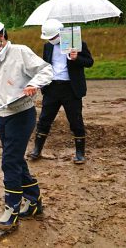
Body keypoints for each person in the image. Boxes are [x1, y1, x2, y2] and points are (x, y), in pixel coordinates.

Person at [0, 18, 52, 231]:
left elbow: (46, 70)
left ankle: (11, 210)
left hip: (22, 115)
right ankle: (34, 201)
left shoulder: (20, 52)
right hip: (3, 117)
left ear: (1, 36)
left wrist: (34, 84)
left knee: (9, 162)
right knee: (14, 159)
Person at [28, 19, 94, 164]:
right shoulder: (48, 47)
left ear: (59, 34)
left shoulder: (78, 44)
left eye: (52, 37)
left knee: (76, 121)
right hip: (52, 88)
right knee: (44, 119)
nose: (50, 40)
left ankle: (79, 153)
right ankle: (37, 150)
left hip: (71, 89)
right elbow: (45, 65)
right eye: (48, 38)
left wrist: (76, 58)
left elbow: (89, 62)